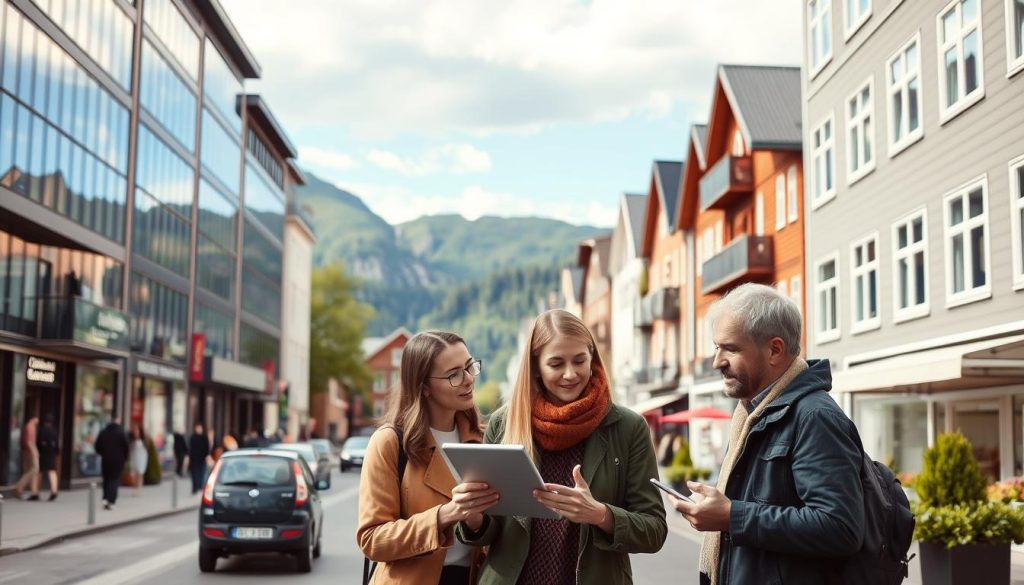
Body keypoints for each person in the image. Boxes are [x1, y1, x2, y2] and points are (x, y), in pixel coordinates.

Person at [668, 283, 865, 585]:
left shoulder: (814, 417)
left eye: (730, 349)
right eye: (716, 347)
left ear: (774, 350)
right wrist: (719, 509)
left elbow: (840, 527)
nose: (717, 361)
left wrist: (732, 516)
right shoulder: (751, 414)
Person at [457, 309, 667, 585]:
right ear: (536, 367)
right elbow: (493, 530)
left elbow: (655, 530)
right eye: (556, 364)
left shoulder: (628, 427)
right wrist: (472, 517)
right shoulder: (504, 423)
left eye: (580, 360)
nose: (570, 374)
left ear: (592, 358)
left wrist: (600, 514)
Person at [356, 331, 495, 585]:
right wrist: (445, 515)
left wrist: (477, 523)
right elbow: (372, 539)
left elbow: (497, 527)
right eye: (454, 374)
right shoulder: (390, 442)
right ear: (424, 387)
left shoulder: (484, 439)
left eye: (469, 367)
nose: (468, 380)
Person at [95, 417, 129, 510]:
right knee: (115, 479)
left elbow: (97, 446)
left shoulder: (103, 432)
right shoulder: (121, 433)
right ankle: (111, 500)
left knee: (106, 479)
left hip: (105, 459)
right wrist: (125, 458)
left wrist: (103, 453)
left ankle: (105, 498)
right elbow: (126, 447)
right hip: (118, 460)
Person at [36, 413, 60, 501]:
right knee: (52, 471)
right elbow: (57, 445)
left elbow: (38, 443)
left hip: (43, 454)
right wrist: (57, 454)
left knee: (39, 472)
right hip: (52, 454)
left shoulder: (42, 430)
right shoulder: (54, 431)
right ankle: (54, 490)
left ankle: (36, 492)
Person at [14, 416, 39, 499]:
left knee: (29, 470)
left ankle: (33, 492)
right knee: (35, 469)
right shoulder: (30, 426)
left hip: (28, 451)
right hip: (29, 451)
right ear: (34, 418)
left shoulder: (30, 426)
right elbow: (29, 442)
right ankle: (19, 486)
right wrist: (34, 452)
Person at [188, 423, 211, 494]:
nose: (198, 429)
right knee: (194, 474)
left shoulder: (204, 437)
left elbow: (207, 448)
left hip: (202, 459)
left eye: (200, 428)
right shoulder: (193, 437)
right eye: (197, 428)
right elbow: (191, 449)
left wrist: (207, 456)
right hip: (194, 459)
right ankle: (195, 488)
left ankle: (200, 487)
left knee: (201, 474)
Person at [129, 427, 148, 492]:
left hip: (141, 459)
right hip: (133, 459)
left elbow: (145, 452)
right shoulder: (131, 441)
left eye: (137, 431)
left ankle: (138, 489)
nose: (136, 433)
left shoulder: (143, 441)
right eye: (135, 431)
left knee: (140, 474)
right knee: (133, 475)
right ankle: (135, 488)